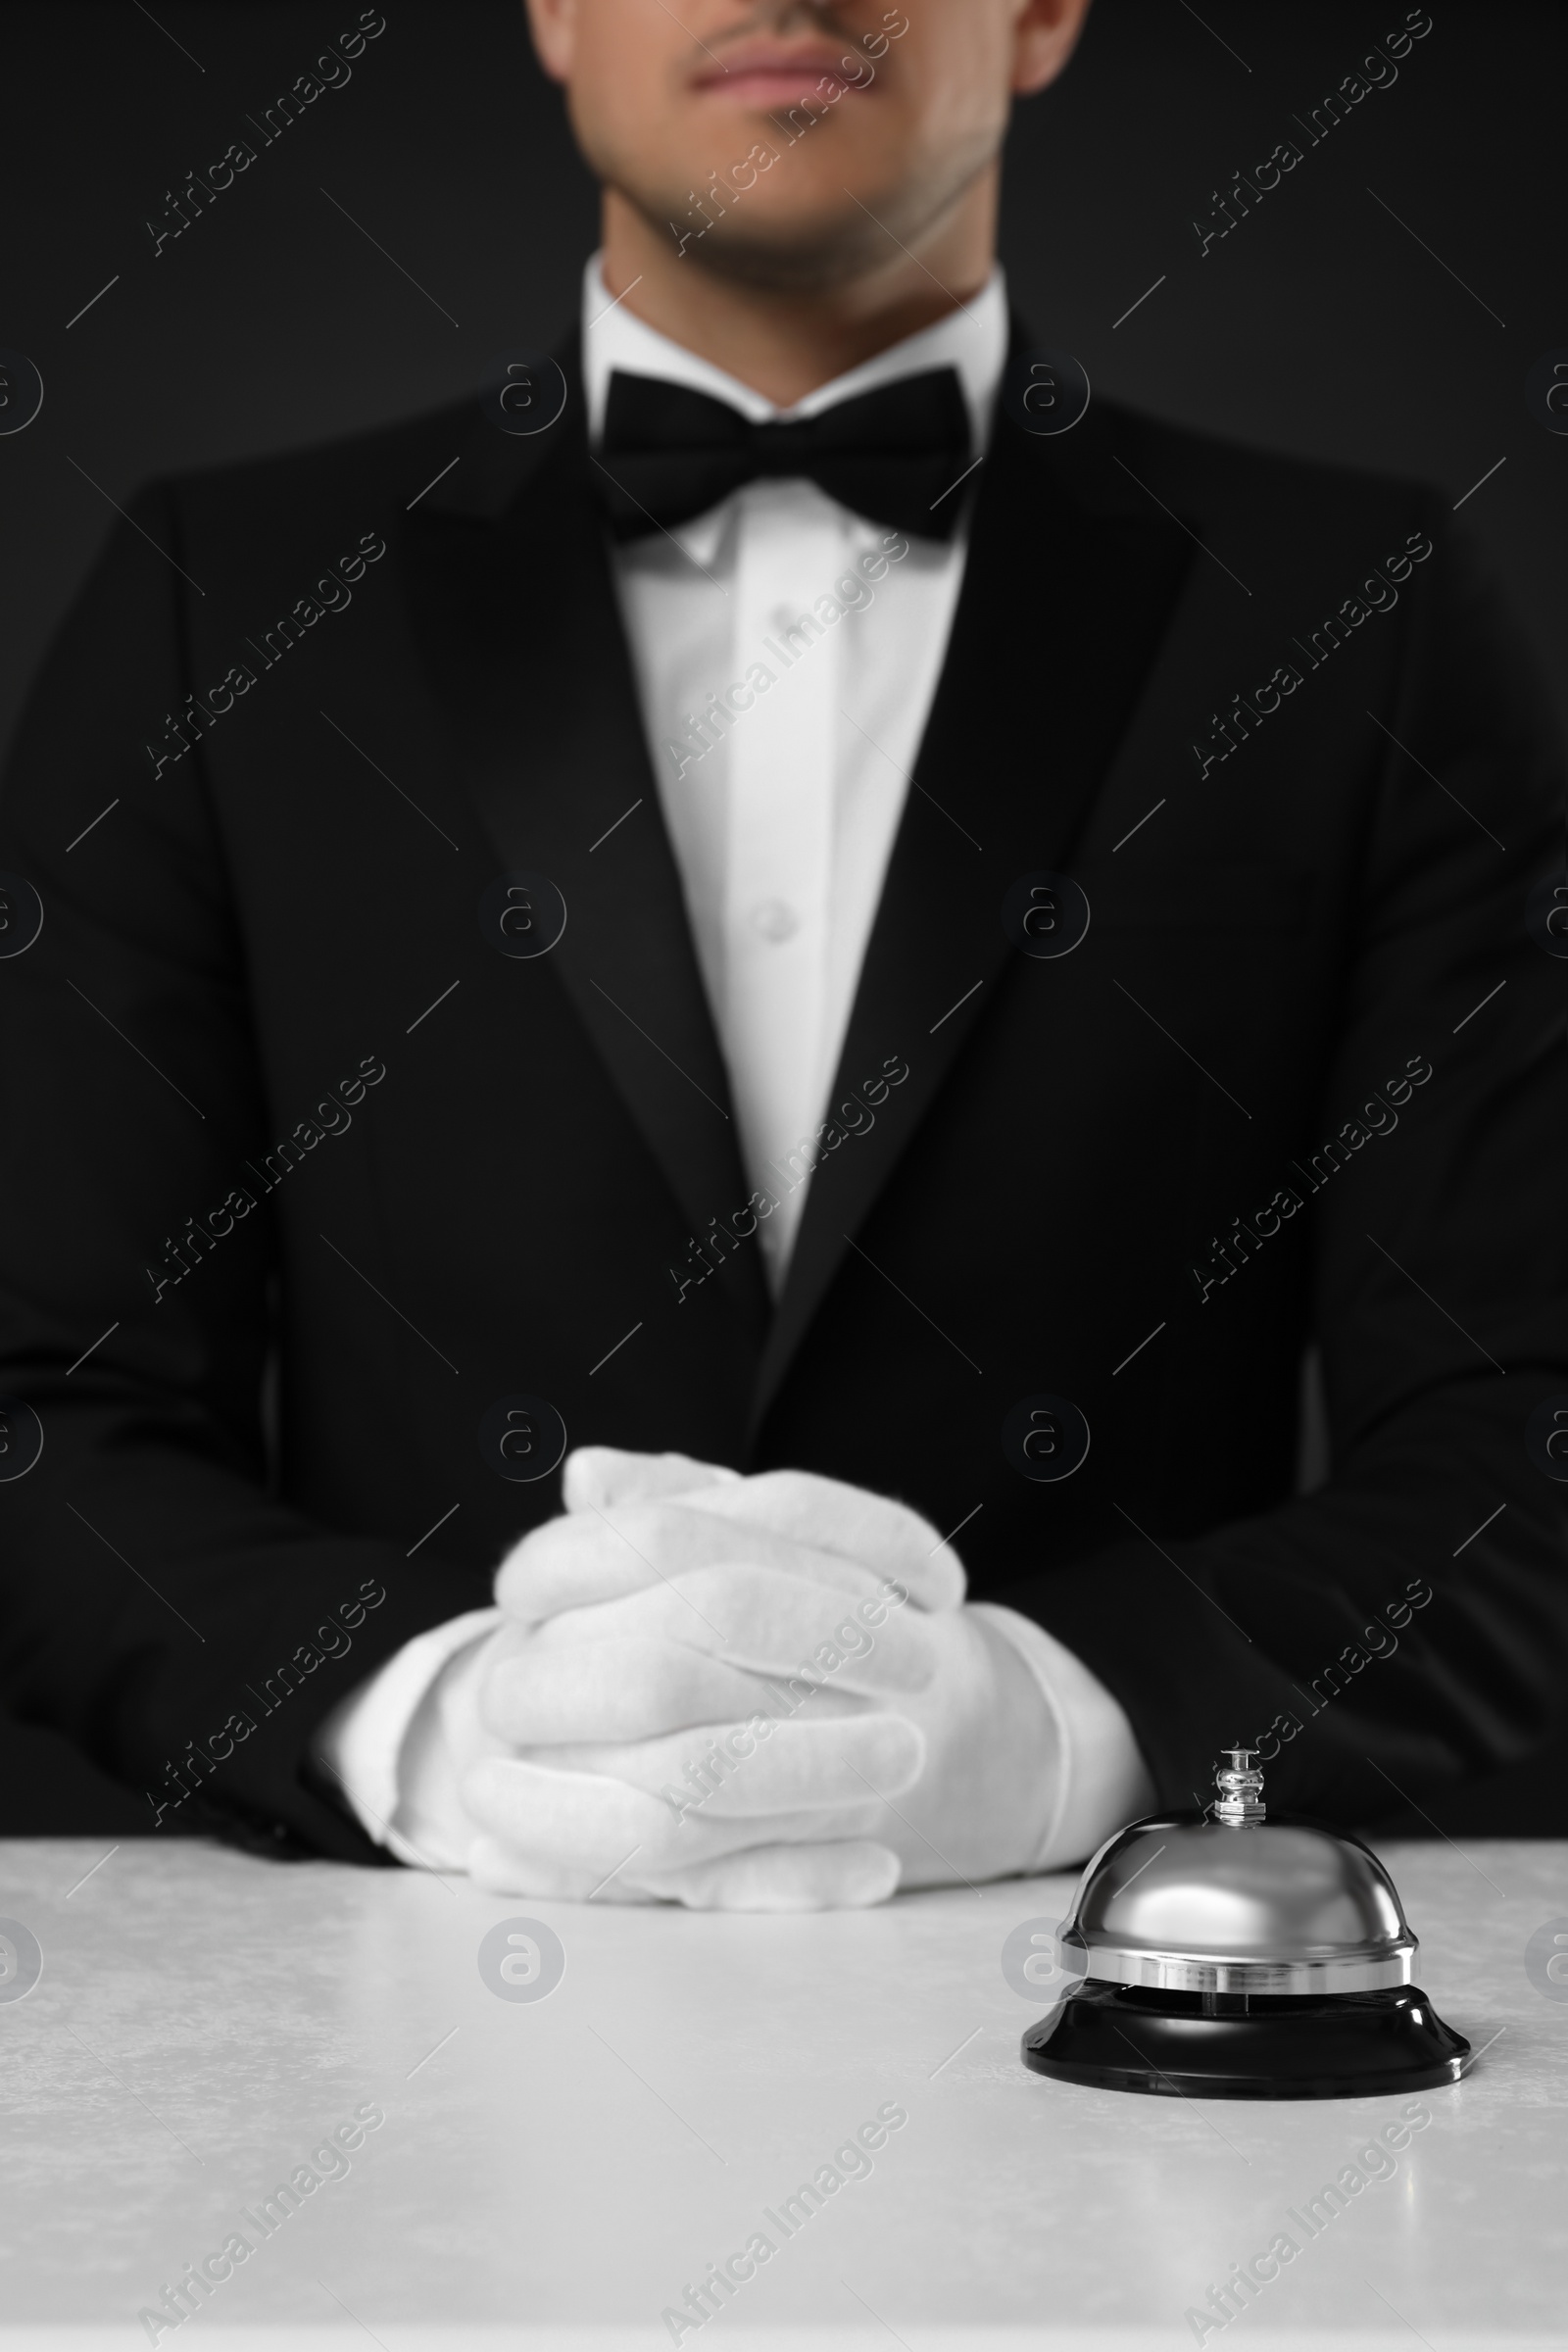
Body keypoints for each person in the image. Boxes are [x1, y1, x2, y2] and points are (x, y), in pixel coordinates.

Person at [0, 0, 1562, 1907]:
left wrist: (1071, 1726)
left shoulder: (1359, 614)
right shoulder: (213, 599)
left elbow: (1522, 1432)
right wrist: (429, 1722)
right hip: (394, 2036)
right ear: (555, 12)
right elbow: (43, 1403)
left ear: (1044, 12)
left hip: (1124, 2039)